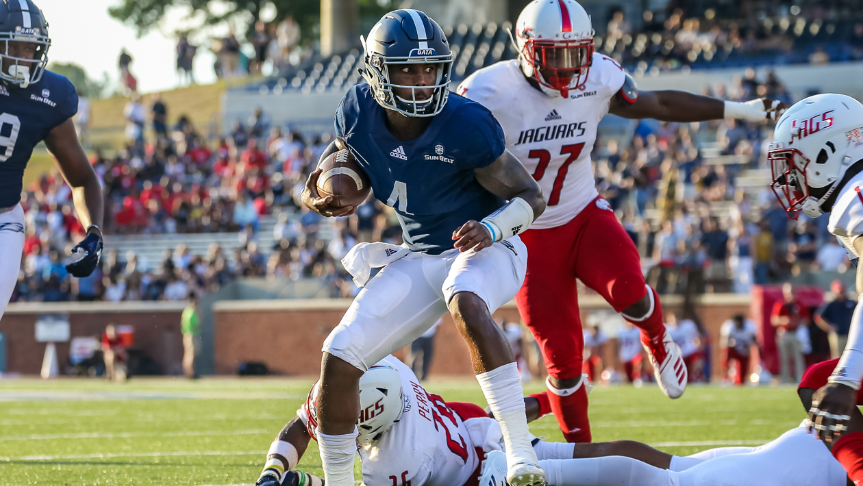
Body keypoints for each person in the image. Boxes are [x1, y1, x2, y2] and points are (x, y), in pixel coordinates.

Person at [457, 0, 786, 443]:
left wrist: (740, 110)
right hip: (526, 236)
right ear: (526, 48)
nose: (568, 67)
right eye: (554, 53)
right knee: (563, 361)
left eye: (576, 53)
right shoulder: (486, 91)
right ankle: (584, 457)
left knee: (629, 290)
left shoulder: (600, 78)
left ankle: (657, 338)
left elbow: (659, 103)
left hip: (582, 213)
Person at [302, 9, 547, 486]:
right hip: (422, 254)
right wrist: (316, 193)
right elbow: (331, 168)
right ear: (376, 73)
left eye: (429, 68)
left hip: (490, 245)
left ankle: (521, 455)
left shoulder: (466, 123)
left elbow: (531, 197)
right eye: (407, 69)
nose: (420, 80)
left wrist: (492, 229)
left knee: (465, 294)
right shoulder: (357, 111)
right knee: (340, 352)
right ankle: (336, 481)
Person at [257, 355, 847, 486]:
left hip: (494, 473)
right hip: (495, 448)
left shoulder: (395, 458)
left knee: (647, 474)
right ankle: (797, 453)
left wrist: (302, 481)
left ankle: (806, 464)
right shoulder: (386, 371)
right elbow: (303, 423)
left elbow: (314, 429)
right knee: (638, 461)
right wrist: (273, 470)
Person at [768, 93, 863, 485]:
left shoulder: (855, 197)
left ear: (827, 152)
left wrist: (847, 377)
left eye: (795, 164)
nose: (791, 179)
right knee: (817, 379)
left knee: (827, 382)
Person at [0, 0, 104, 320]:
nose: (24, 57)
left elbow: (83, 179)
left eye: (31, 48)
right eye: (14, 45)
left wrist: (94, 231)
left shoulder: (48, 96)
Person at [771, 283, 808, 383]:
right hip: (784, 333)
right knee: (784, 358)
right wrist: (784, 320)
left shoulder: (799, 304)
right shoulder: (781, 304)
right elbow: (774, 320)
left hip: (796, 333)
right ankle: (785, 379)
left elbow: (806, 320)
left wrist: (797, 322)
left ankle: (800, 378)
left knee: (798, 357)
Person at [815, 280, 856, 359]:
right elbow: (817, 317)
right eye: (840, 291)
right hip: (837, 336)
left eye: (843, 291)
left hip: (850, 335)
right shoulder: (831, 304)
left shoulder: (850, 302)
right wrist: (829, 327)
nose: (842, 293)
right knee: (837, 358)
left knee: (851, 357)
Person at [720, 314, 757, 385]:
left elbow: (754, 341)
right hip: (733, 350)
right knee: (726, 355)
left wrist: (747, 344)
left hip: (744, 351)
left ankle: (740, 380)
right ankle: (726, 377)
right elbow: (725, 343)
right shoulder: (729, 327)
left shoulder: (749, 327)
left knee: (742, 378)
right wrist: (732, 344)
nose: (739, 324)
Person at [407, 317, 440, 381]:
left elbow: (438, 324)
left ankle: (423, 376)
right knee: (414, 355)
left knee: (427, 356)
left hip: (429, 336)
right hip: (417, 335)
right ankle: (411, 375)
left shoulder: (435, 310)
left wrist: (434, 336)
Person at [181, 293, 200, 379]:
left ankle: (189, 373)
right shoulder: (191, 311)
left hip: (186, 334)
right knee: (190, 355)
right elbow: (196, 323)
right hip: (191, 334)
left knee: (188, 355)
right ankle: (190, 373)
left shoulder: (185, 311)